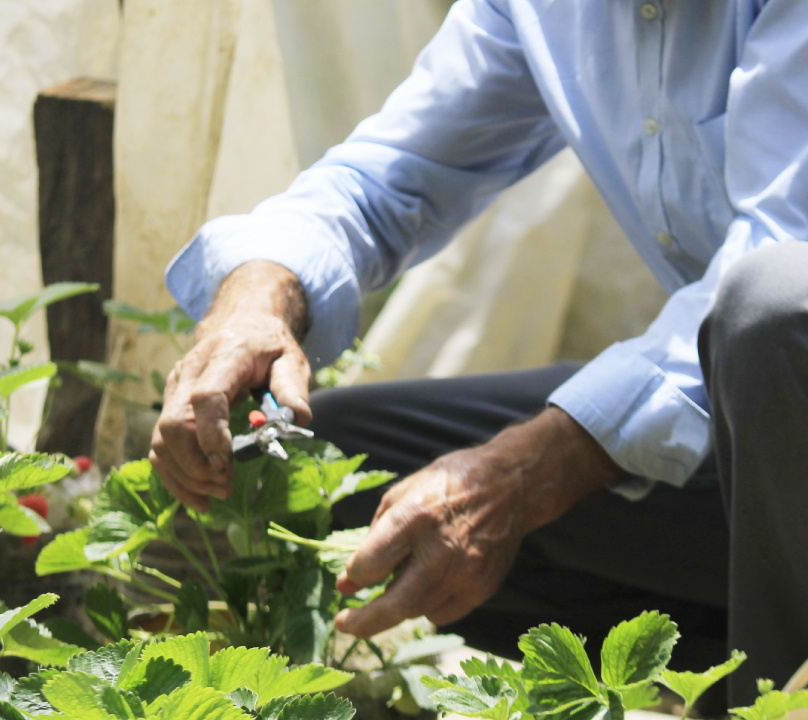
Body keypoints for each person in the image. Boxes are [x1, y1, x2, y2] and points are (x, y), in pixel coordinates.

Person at [148, 0, 808, 709]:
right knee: (325, 476)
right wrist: (257, 299)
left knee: (773, 304)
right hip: (758, 452)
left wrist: (525, 474)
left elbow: (781, 250)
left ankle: (768, 696)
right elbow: (387, 175)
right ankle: (728, 659)